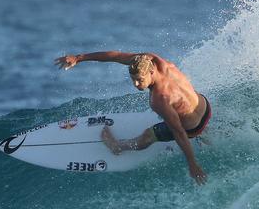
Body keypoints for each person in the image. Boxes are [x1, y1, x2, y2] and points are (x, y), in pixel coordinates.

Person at [54, 51, 210, 184]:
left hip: (192, 129)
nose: (136, 84)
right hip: (206, 109)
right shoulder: (153, 60)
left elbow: (179, 133)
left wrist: (192, 164)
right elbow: (115, 56)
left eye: (140, 80)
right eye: (133, 79)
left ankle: (117, 147)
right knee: (182, 103)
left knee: (148, 136)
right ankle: (205, 133)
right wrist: (79, 58)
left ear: (151, 73)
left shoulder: (159, 99)